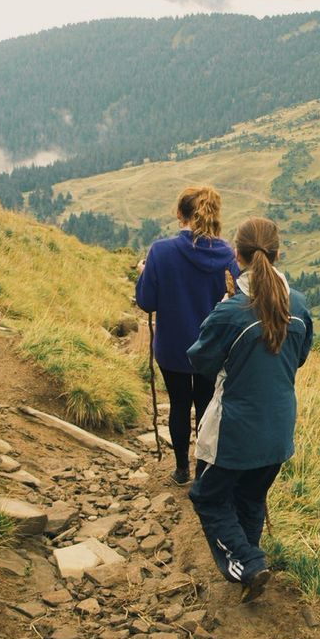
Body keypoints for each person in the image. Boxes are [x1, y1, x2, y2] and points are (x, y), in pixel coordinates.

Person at [186, 216, 313, 602]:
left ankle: (248, 561)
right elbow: (300, 357)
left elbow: (201, 362)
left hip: (236, 429)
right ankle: (250, 572)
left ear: (236, 255)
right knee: (251, 497)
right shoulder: (299, 306)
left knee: (207, 496)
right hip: (278, 426)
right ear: (276, 254)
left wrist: (221, 310)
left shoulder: (231, 312)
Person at [135, 186, 239, 485]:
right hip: (213, 349)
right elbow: (235, 301)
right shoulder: (228, 256)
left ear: (180, 215)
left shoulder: (161, 251)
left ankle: (181, 469)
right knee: (207, 404)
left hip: (173, 346)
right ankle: (204, 471)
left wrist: (144, 273)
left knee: (180, 404)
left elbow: (147, 302)